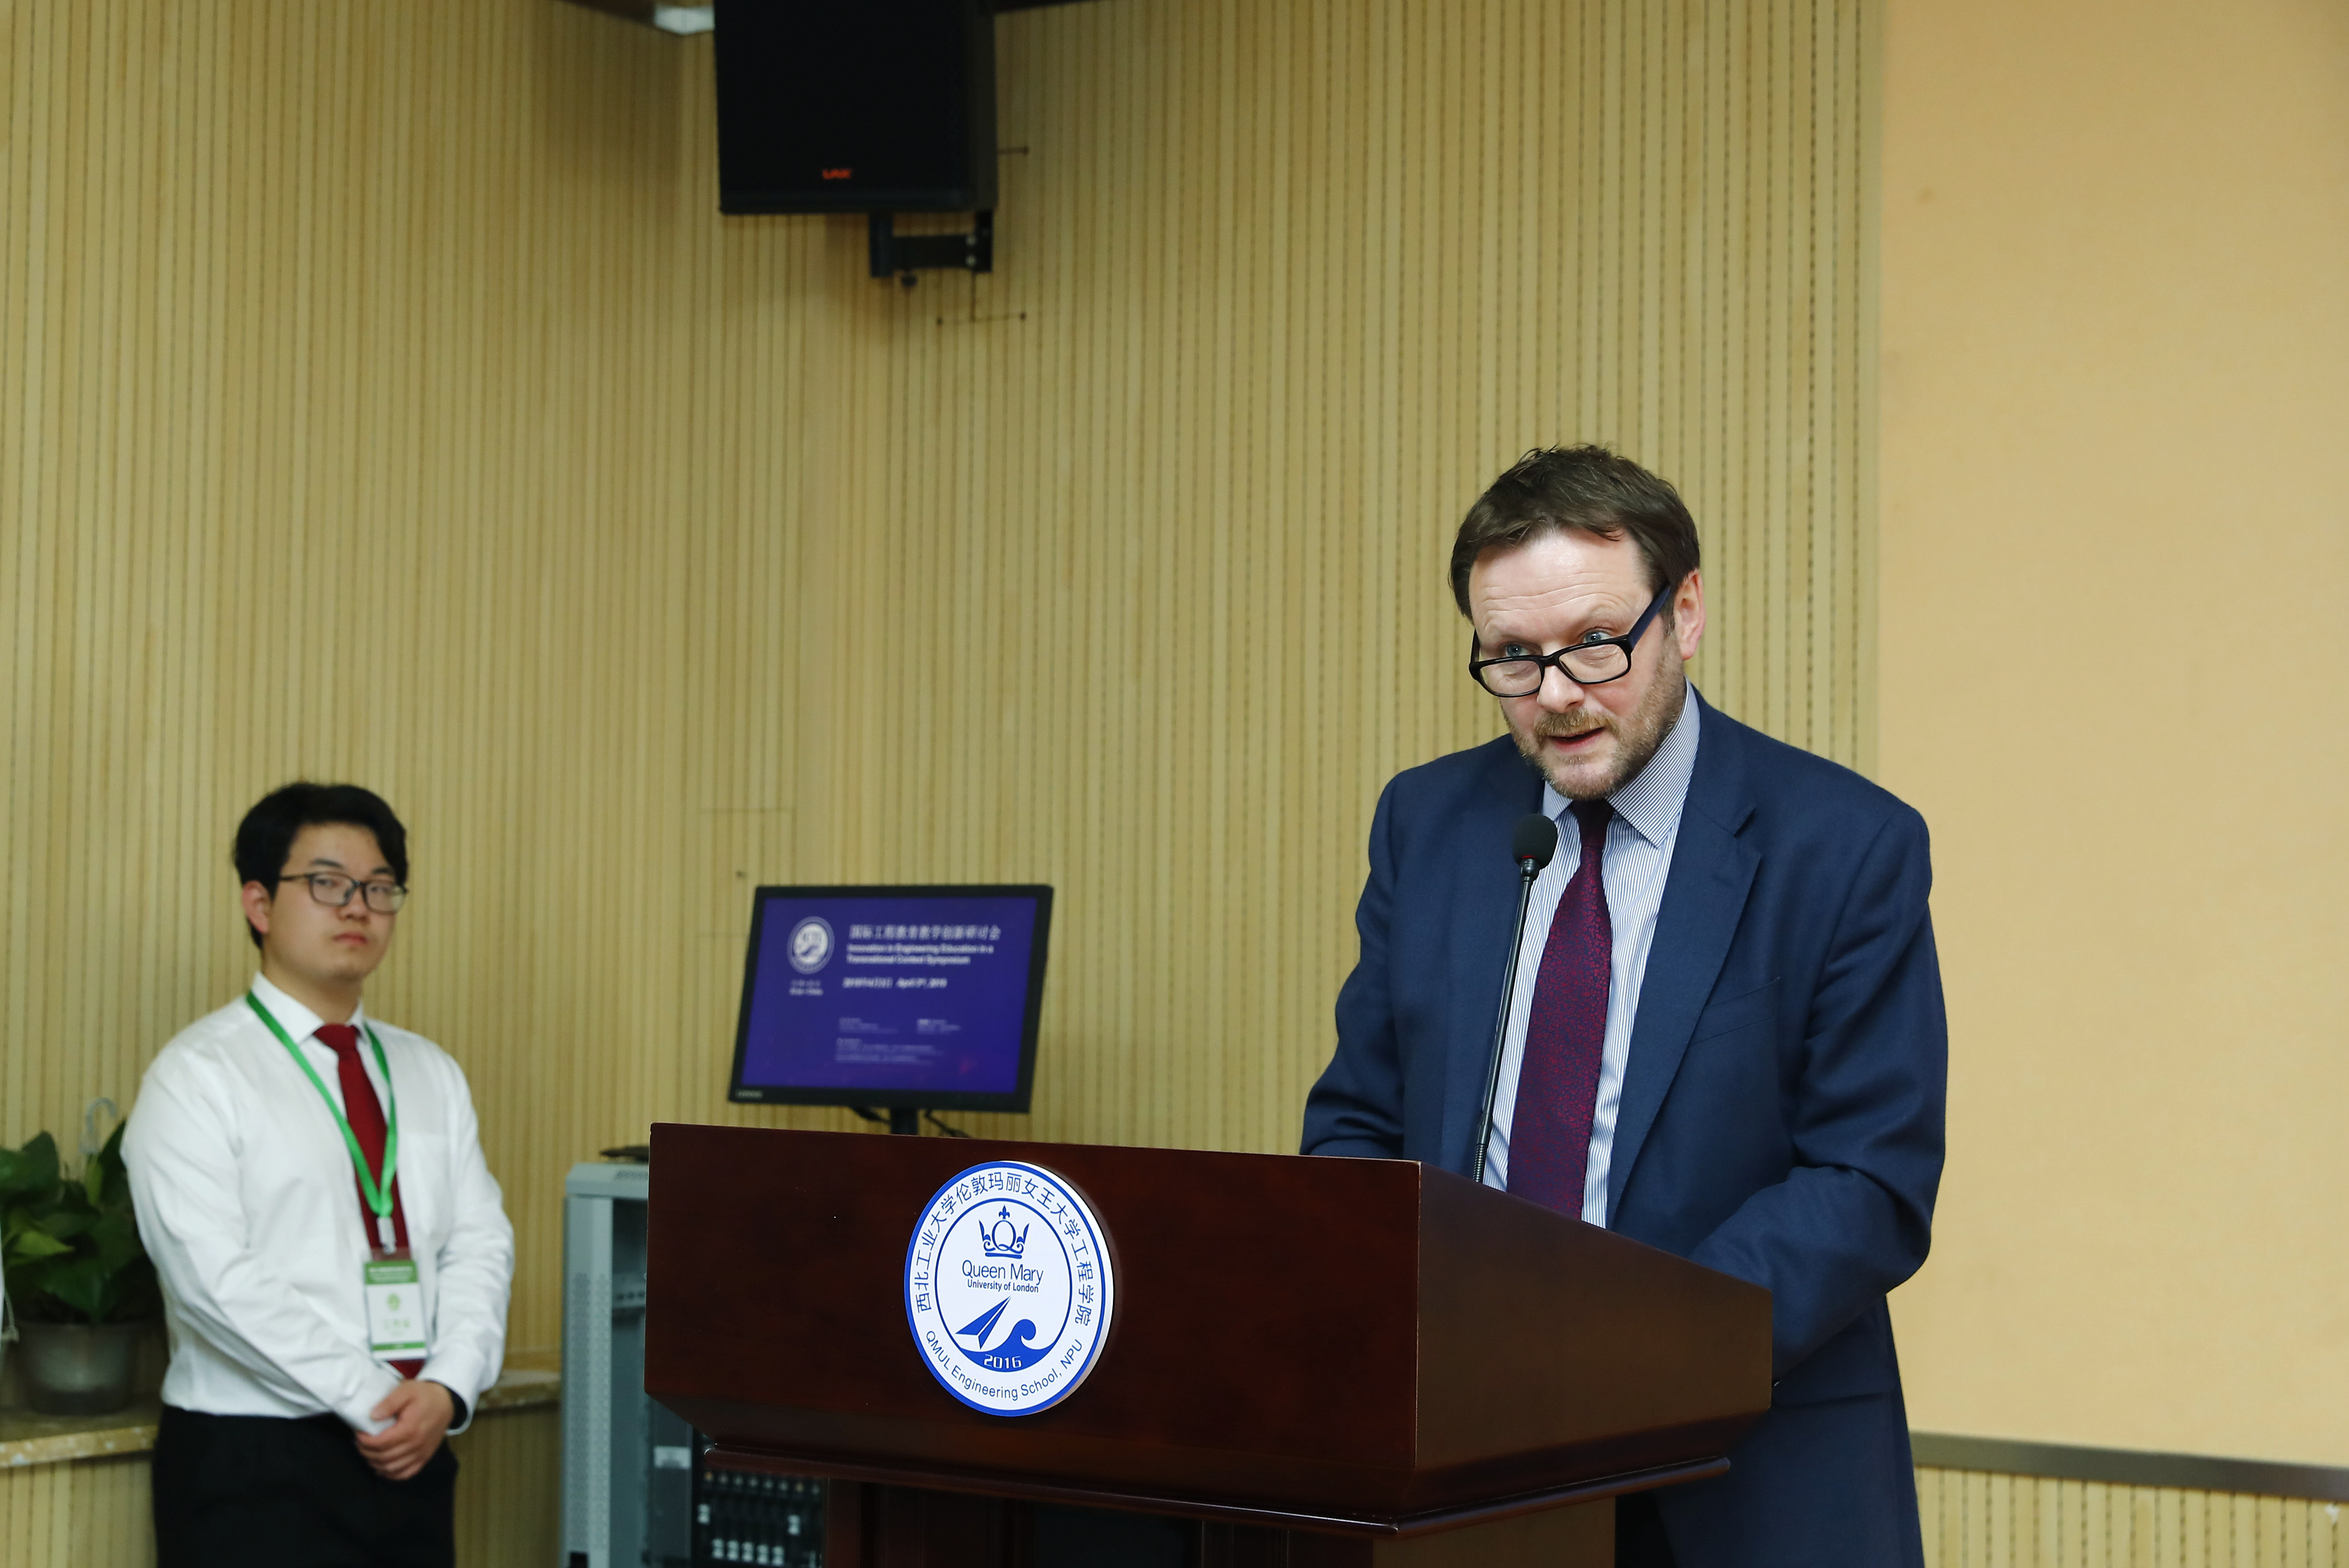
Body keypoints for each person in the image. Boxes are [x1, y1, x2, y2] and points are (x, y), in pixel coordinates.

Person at [1300, 447, 1946, 1568]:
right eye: (1512, 655)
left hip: (1748, 1471)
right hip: (1466, 1463)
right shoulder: (1429, 821)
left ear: (1683, 612)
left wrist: (1626, 1351)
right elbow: (1360, 1120)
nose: (1555, 692)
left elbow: (1867, 1176)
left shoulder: (1843, 843)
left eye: (1595, 641)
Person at [125, 783, 515, 1568]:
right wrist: (375, 1400)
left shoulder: (430, 1072)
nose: (357, 908)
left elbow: (479, 1244)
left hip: (413, 1450)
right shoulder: (197, 1075)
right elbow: (213, 1279)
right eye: (327, 883)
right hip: (254, 1461)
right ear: (260, 904)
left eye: (379, 888)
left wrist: (447, 1387)